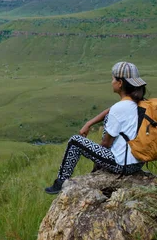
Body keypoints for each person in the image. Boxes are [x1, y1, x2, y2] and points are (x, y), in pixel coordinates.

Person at [44, 61, 146, 195]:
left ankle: (60, 182)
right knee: (109, 119)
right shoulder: (141, 103)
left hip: (122, 165)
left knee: (75, 141)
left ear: (120, 83)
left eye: (113, 79)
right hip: (137, 163)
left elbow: (106, 143)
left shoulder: (119, 108)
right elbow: (111, 111)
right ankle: (99, 168)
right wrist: (89, 123)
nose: (111, 82)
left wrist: (97, 157)